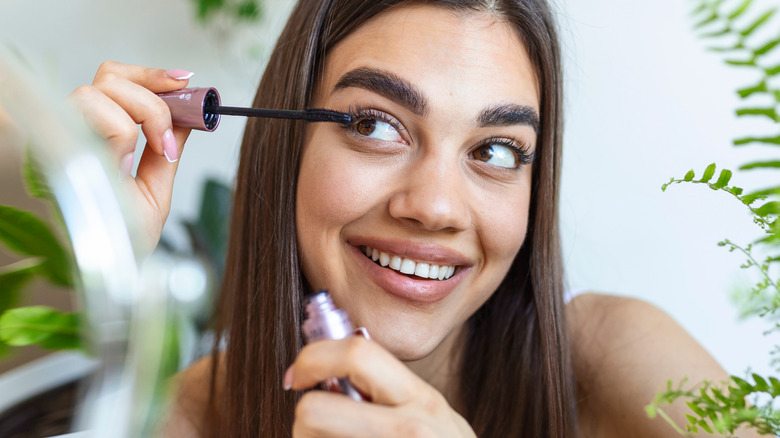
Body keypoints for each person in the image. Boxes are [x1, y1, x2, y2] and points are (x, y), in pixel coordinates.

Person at [70, 1, 759, 437]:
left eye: (495, 150)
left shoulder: (617, 363)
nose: (432, 206)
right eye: (375, 124)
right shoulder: (186, 418)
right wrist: (64, 265)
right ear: (289, 146)